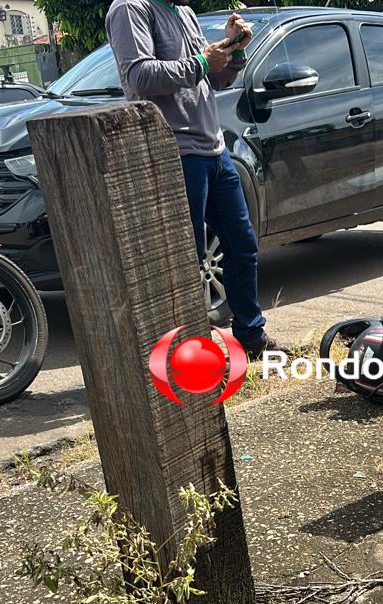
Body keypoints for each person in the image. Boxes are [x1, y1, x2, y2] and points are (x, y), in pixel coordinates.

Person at [106, 0, 278, 358]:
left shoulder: (182, 12)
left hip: (213, 150)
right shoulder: (129, 8)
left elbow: (211, 79)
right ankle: (186, 354)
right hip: (173, 150)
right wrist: (202, 61)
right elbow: (139, 76)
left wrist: (233, 51)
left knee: (242, 244)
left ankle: (250, 338)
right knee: (185, 260)